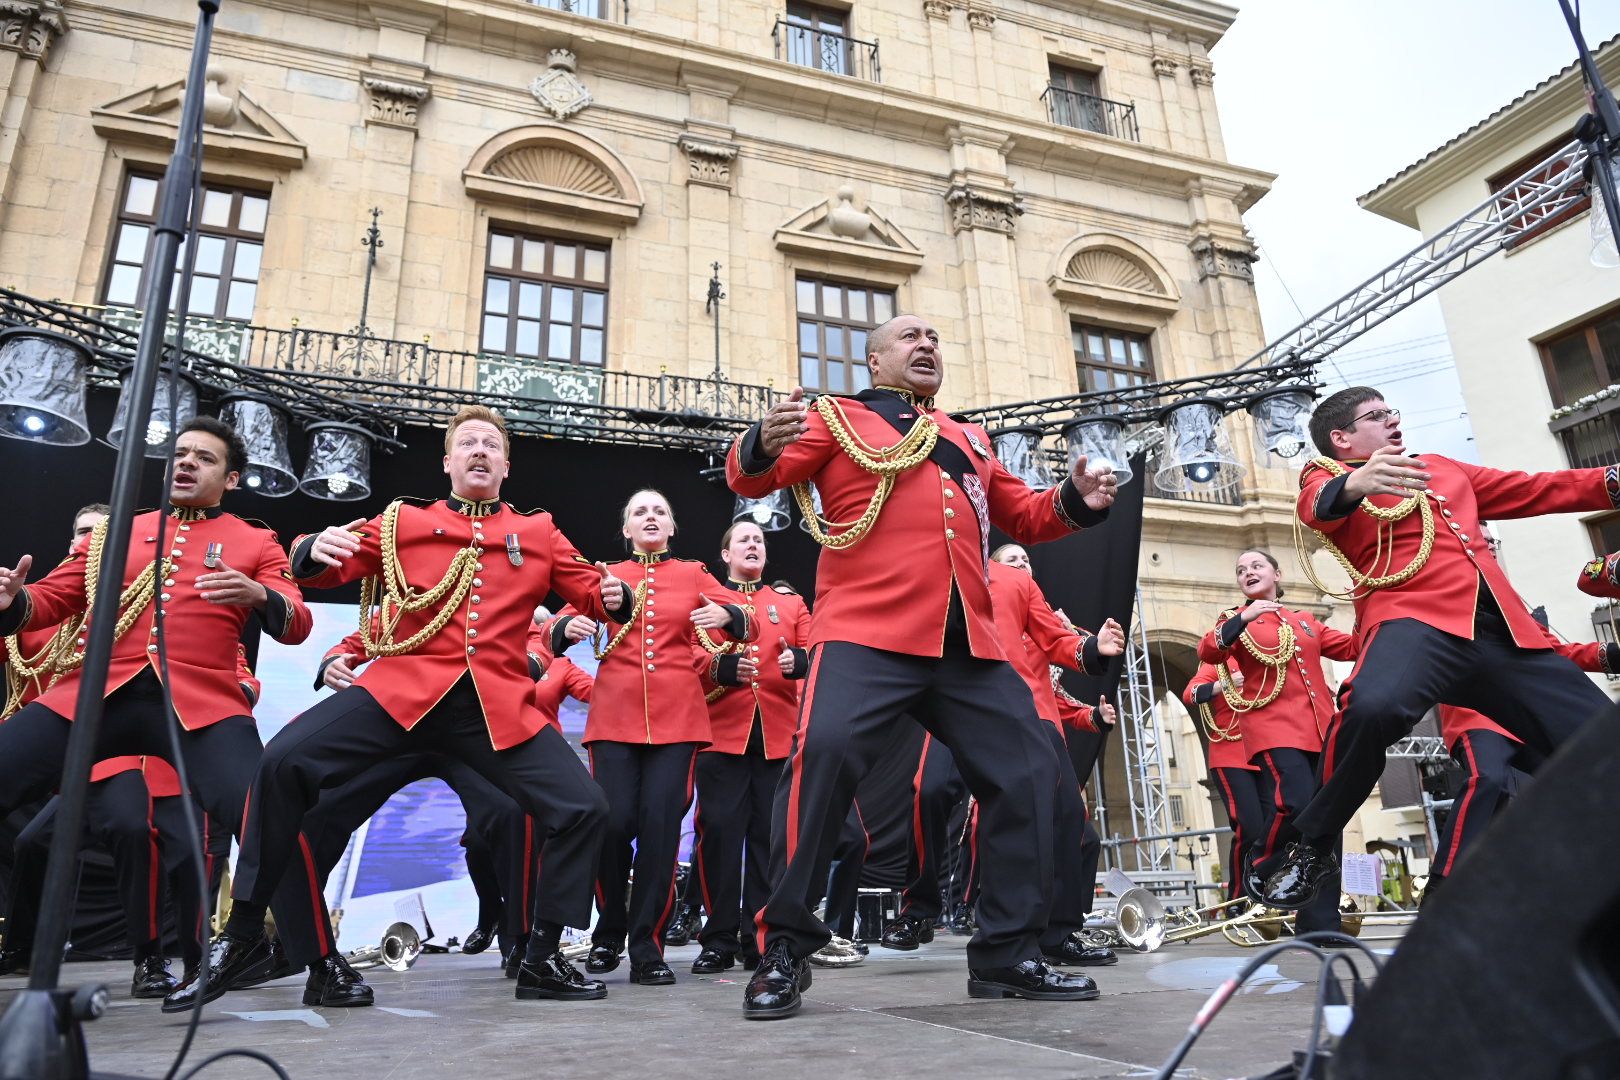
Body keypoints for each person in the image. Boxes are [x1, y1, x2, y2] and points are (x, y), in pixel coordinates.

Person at [727, 313, 1117, 1018]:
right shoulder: (837, 418)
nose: (927, 344)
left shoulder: (970, 436)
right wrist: (757, 441)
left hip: (967, 640)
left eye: (934, 337)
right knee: (824, 755)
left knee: (1032, 773)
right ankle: (783, 947)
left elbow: (1023, 514)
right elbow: (756, 478)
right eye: (909, 337)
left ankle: (1008, 954)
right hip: (864, 628)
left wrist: (1076, 502)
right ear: (875, 363)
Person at [176, 405, 621, 1010]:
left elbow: (592, 589)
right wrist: (314, 547)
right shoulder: (404, 520)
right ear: (448, 462)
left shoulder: (538, 532)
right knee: (279, 764)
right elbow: (330, 563)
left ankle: (541, 957)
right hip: (400, 696)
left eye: (492, 444)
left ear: (507, 466)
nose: (480, 451)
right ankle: (247, 931)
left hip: (491, 709)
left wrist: (613, 596)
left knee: (584, 807)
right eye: (468, 443)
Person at [1258, 388, 1619, 910]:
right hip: (1414, 621)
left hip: (1501, 636)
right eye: (1376, 416)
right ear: (1342, 438)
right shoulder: (1327, 475)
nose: (1392, 421)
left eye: (1393, 412)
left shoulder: (1442, 469)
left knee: (1600, 741)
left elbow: (1537, 488)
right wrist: (1355, 482)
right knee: (1372, 707)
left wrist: (1612, 480)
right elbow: (1316, 507)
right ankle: (1312, 846)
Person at [0, 420, 315, 986]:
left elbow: (297, 622)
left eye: (205, 458)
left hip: (202, 705)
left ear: (232, 478)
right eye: (180, 454)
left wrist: (260, 595)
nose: (187, 462)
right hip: (97, 695)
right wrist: (11, 601)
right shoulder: (118, 530)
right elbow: (48, 602)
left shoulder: (256, 541)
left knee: (267, 814)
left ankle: (322, 963)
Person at [551, 489, 744, 986]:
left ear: (672, 527)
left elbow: (739, 623)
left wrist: (731, 617)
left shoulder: (694, 574)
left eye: (660, 510)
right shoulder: (606, 575)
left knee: (660, 836)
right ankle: (609, 929)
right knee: (611, 827)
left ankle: (647, 947)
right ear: (626, 528)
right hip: (614, 719)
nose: (651, 516)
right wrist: (566, 627)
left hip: (678, 721)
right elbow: (554, 627)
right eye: (640, 511)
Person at [1199, 550, 1356, 934]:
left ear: (1277, 574)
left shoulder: (1305, 622)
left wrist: (1370, 598)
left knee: (1327, 824)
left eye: (1256, 566)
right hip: (1273, 728)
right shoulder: (1234, 620)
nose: (1247, 572)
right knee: (1298, 802)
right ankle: (1263, 860)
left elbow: (1353, 647)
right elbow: (1208, 650)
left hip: (1321, 730)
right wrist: (1244, 617)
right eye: (1240, 570)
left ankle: (1321, 925)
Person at [690, 523, 809, 975]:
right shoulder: (707, 600)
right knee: (719, 834)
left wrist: (799, 660)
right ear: (725, 554)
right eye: (743, 539)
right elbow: (688, 655)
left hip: (777, 736)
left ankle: (757, 935)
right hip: (722, 734)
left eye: (759, 539)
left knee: (768, 841)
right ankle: (717, 937)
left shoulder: (790, 603)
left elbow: (816, 649)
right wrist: (717, 667)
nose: (753, 544)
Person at [1182, 659, 1262, 904]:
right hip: (1232, 756)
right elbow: (1191, 693)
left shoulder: (1269, 655)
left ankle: (1271, 900)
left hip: (1266, 754)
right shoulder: (1221, 663)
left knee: (1275, 830)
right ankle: (1239, 899)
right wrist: (1223, 685)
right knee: (1250, 828)